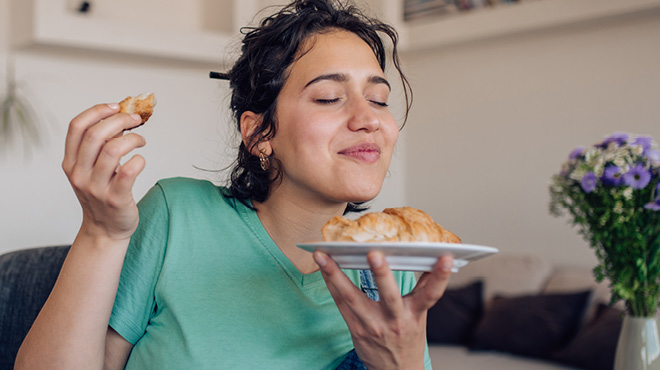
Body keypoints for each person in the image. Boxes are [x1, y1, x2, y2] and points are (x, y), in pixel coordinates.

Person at [15, 0, 454, 369]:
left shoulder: (392, 263)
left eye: (379, 99)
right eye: (328, 98)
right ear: (260, 133)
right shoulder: (177, 216)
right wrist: (100, 232)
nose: (370, 119)